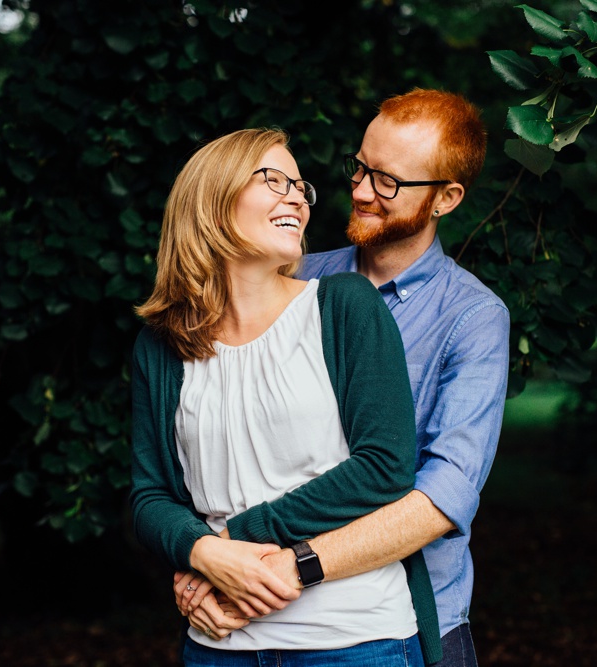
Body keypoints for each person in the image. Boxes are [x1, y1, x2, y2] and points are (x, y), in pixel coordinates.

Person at [175, 89, 509, 666]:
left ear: (446, 199)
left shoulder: (473, 318)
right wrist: (202, 558)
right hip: (243, 622)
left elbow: (441, 497)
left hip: (411, 616)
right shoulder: (293, 272)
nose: (359, 191)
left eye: (388, 182)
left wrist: (273, 565)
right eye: (360, 167)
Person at [129, 127, 440, 665]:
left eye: (301, 186)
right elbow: (149, 496)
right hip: (218, 645)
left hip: (355, 642)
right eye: (275, 179)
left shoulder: (343, 306)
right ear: (212, 196)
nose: (298, 196)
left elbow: (385, 467)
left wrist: (232, 542)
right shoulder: (160, 344)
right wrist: (201, 551)